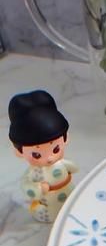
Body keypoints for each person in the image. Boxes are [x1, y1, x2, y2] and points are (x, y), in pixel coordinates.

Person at [8, 90, 77, 223]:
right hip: (47, 205)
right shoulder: (34, 173)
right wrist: (38, 189)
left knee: (70, 206)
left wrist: (71, 168)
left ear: (66, 138)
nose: (49, 158)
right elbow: (26, 185)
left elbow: (73, 167)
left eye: (55, 149)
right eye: (37, 154)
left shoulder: (60, 164)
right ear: (19, 152)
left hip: (67, 198)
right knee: (49, 212)